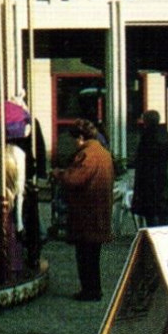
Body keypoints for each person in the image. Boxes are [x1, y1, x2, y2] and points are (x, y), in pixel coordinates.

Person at [54, 119, 114, 301]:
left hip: (87, 211)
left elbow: (75, 179)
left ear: (81, 137)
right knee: (93, 256)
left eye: (75, 138)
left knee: (86, 255)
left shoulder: (88, 154)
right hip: (99, 209)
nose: (74, 142)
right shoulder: (103, 153)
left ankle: (90, 291)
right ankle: (93, 289)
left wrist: (59, 174)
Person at [130, 110, 168, 229]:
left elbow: (143, 157)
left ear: (147, 121)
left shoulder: (148, 135)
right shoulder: (164, 134)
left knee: (151, 211)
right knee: (161, 210)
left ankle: (153, 234)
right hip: (161, 177)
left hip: (148, 179)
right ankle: (164, 232)